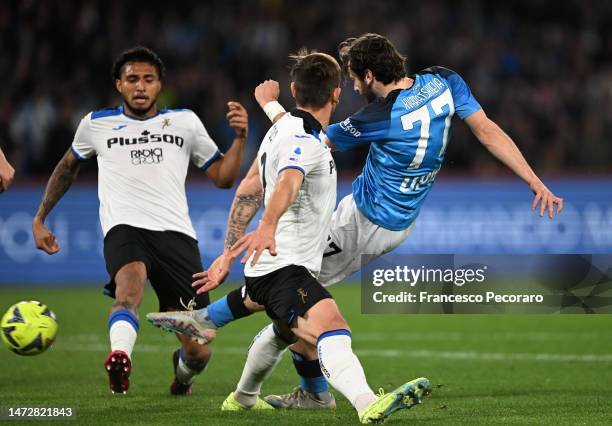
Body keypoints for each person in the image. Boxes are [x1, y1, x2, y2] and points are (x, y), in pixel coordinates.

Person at [147, 33, 564, 408]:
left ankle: (215, 332)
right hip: (383, 217)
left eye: (354, 78)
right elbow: (487, 130)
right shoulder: (444, 80)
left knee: (285, 289)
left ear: (368, 74)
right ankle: (287, 382)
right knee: (288, 292)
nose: (351, 88)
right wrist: (534, 181)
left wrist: (270, 109)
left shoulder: (373, 119)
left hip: (365, 225)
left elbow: (301, 141)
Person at [31, 46, 249, 395]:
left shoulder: (185, 122)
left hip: (177, 237)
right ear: (119, 84)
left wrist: (239, 139)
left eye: (148, 79)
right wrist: (40, 217)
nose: (140, 86)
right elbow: (66, 169)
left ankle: (182, 376)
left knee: (198, 350)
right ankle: (119, 359)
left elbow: (222, 177)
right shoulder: (96, 123)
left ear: (160, 84)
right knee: (129, 288)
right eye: (132, 79)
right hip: (125, 228)